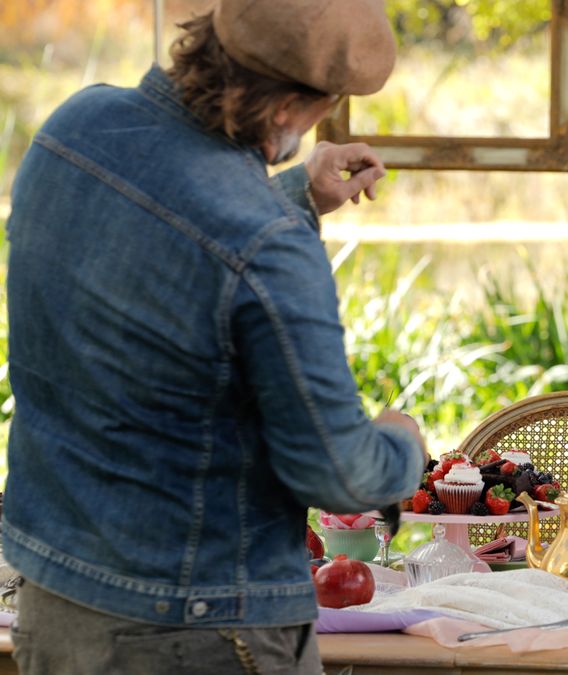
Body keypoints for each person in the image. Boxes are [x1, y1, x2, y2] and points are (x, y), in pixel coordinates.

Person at [1, 1, 425, 672]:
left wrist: (293, 194)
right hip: (199, 631)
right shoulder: (268, 245)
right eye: (324, 106)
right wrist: (403, 442)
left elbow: (162, 249)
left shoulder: (72, 128)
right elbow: (340, 472)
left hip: (56, 604)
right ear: (288, 108)